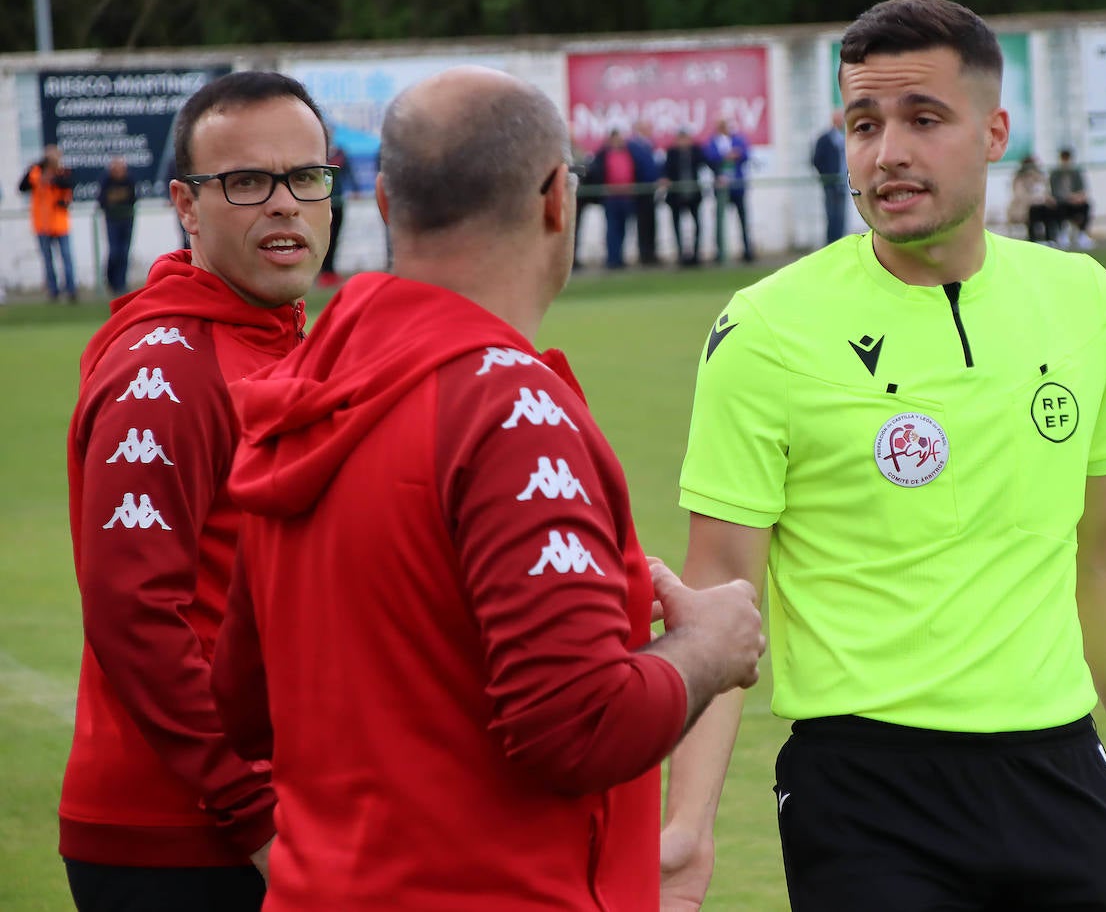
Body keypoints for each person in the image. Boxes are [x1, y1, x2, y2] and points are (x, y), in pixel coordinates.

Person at [662, 0, 1106, 912]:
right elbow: (720, 591)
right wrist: (686, 832)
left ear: (994, 132)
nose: (887, 154)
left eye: (923, 119)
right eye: (863, 125)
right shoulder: (763, 330)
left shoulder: (1089, 305)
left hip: (1059, 771)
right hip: (863, 789)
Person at [209, 66, 766, 911]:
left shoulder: (308, 388)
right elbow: (575, 724)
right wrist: (708, 649)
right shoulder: (508, 410)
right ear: (556, 199)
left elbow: (244, 703)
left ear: (387, 203)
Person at [61, 70, 331, 912]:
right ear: (186, 204)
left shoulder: (284, 343)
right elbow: (133, 609)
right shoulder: (167, 366)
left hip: (276, 816)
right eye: (247, 182)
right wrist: (253, 814)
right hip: (185, 842)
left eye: (306, 177)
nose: (284, 204)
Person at [18, 143, 77, 301]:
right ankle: (53, 291)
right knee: (47, 260)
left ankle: (71, 290)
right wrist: (35, 166)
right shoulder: (36, 172)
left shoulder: (62, 173)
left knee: (66, 257)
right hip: (42, 224)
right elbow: (22, 187)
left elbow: (68, 185)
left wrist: (53, 178)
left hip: (60, 223)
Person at [704, 118, 755, 263]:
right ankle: (720, 252)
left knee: (743, 219)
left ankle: (747, 250)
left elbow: (745, 155)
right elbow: (710, 158)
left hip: (737, 185)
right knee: (719, 220)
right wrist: (725, 156)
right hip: (721, 186)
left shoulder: (738, 139)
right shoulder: (713, 141)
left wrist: (736, 154)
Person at [661, 128, 710, 265]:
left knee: (697, 225)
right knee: (677, 226)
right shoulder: (672, 153)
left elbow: (707, 164)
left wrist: (718, 174)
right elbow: (665, 169)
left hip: (693, 195)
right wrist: (664, 178)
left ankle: (695, 255)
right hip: (676, 196)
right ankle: (681, 255)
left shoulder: (696, 151)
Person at [589, 129, 636, 269]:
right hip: (610, 197)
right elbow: (595, 172)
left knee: (624, 227)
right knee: (612, 228)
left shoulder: (629, 153)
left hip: (626, 196)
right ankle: (612, 258)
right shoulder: (603, 155)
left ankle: (620, 257)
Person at [318, 139, 359, 286]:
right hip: (324, 201)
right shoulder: (319, 152)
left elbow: (349, 172)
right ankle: (324, 271)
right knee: (324, 237)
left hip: (339, 200)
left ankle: (330, 271)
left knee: (336, 237)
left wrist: (355, 188)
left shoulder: (340, 152)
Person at [96, 156, 137, 294]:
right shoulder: (106, 180)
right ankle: (111, 279)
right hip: (112, 220)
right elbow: (101, 200)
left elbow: (134, 198)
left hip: (127, 219)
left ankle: (121, 284)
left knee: (124, 252)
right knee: (114, 252)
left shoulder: (129, 179)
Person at [812, 108, 849, 245]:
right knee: (831, 215)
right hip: (830, 184)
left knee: (841, 216)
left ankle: (841, 244)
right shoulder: (824, 139)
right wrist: (826, 176)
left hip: (843, 183)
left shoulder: (845, 137)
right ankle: (831, 244)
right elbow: (816, 159)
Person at [630, 119, 663, 265]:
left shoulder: (650, 145)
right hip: (641, 189)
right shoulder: (634, 145)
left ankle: (651, 252)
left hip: (651, 189)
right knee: (643, 223)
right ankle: (645, 253)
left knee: (651, 222)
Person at [1007, 154, 1058, 244]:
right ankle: (1033, 238)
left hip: (1041, 206)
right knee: (1034, 211)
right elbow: (1020, 196)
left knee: (1049, 209)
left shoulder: (1040, 177)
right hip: (1024, 208)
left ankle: (1050, 238)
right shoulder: (1019, 179)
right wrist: (1037, 200)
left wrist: (1044, 199)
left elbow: (1045, 192)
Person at [1050, 147, 1094, 249]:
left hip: (1075, 202)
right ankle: (1062, 233)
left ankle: (1082, 234)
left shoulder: (1076, 173)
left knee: (1086, 206)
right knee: (1060, 207)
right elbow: (1054, 192)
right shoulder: (1055, 174)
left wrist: (1077, 197)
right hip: (1061, 202)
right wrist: (1067, 198)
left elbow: (1082, 190)